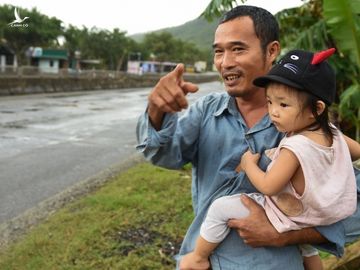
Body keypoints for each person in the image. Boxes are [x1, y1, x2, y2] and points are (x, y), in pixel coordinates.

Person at [136, 5, 360, 270]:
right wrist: (157, 110)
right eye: (219, 51)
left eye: (238, 49)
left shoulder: (305, 128)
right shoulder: (207, 111)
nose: (225, 62)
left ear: (272, 51)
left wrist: (285, 234)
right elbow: (161, 154)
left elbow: (353, 207)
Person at [179, 48, 360, 270]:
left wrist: (248, 164)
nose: (273, 112)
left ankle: (197, 257)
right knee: (306, 247)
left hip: (290, 213)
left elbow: (268, 186)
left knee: (220, 208)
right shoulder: (333, 135)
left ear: (317, 109)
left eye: (283, 105)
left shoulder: (294, 148)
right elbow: (355, 151)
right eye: (270, 102)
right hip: (316, 214)